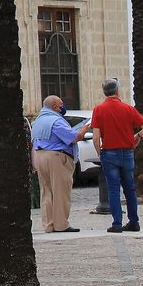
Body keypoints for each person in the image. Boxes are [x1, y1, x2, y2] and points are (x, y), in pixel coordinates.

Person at [91, 77, 143, 233]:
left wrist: (99, 152)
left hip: (109, 152)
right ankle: (134, 221)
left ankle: (117, 223)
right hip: (127, 152)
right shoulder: (128, 109)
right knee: (130, 188)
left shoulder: (99, 110)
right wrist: (137, 136)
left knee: (113, 189)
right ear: (117, 91)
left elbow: (96, 137)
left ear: (105, 92)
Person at [31, 96, 88, 233]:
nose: (63, 107)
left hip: (40, 157)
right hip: (56, 157)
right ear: (55, 106)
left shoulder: (37, 121)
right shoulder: (55, 121)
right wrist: (83, 130)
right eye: (61, 104)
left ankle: (48, 225)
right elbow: (73, 137)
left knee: (46, 192)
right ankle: (61, 224)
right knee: (60, 191)